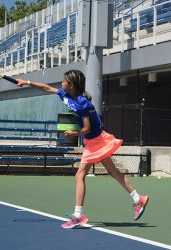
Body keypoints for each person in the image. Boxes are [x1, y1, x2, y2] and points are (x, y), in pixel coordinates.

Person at [17, 70, 149, 229]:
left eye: (64, 81)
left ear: (71, 85)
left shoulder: (82, 103)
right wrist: (27, 82)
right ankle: (138, 198)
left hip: (95, 141)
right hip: (95, 140)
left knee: (79, 175)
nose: (61, 83)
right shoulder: (65, 95)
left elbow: (87, 128)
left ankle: (78, 215)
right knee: (113, 172)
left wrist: (74, 133)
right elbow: (46, 88)